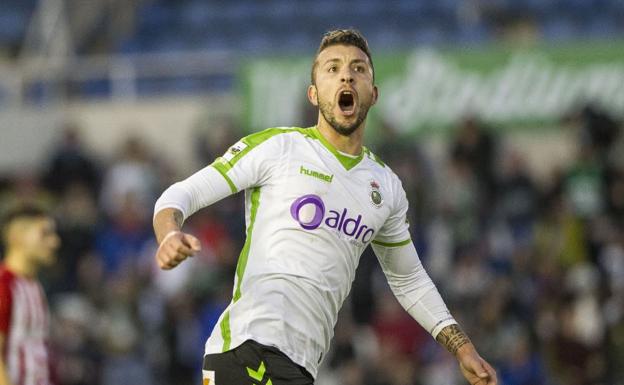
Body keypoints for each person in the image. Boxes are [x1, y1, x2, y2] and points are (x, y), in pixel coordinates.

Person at [153, 29, 497, 385]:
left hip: (300, 366)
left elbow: (409, 279)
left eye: (358, 69)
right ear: (314, 94)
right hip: (247, 349)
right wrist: (168, 235)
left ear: (373, 94)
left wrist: (462, 348)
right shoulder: (279, 149)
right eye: (332, 69)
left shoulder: (385, 187)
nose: (346, 75)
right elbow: (179, 196)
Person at [0, 206, 60, 385]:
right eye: (45, 234)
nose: (54, 242)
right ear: (17, 236)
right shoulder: (4, 285)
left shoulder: (35, 287)